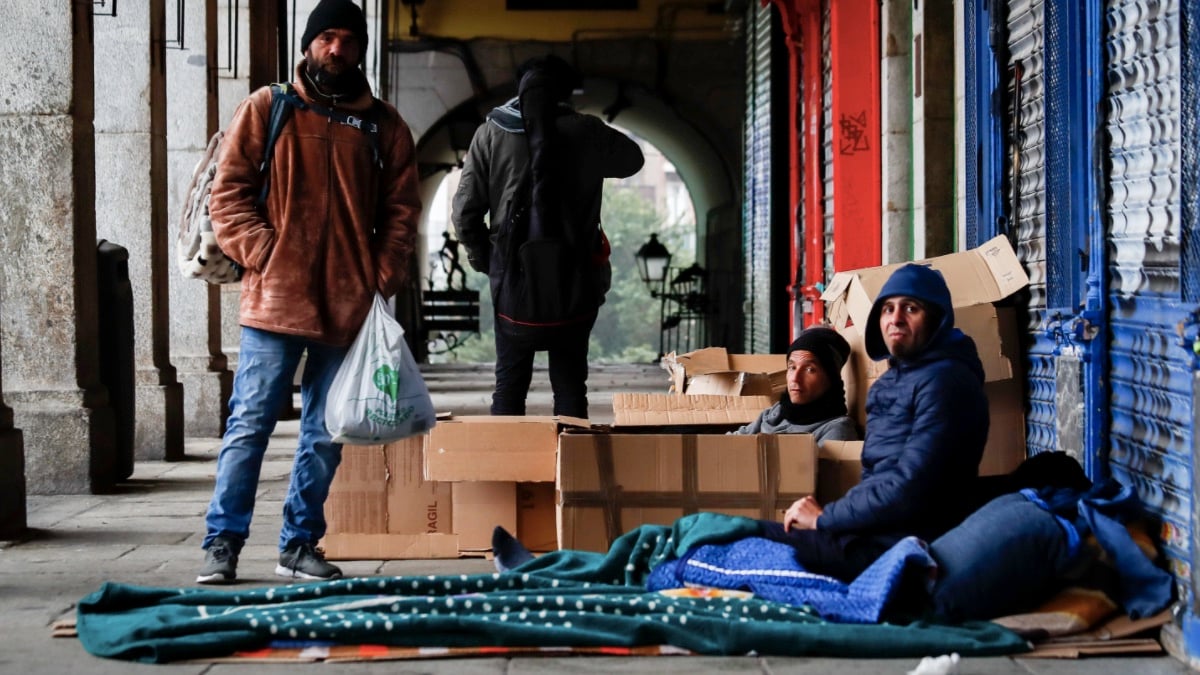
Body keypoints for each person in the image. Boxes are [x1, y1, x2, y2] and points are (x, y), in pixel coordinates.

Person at [197, 0, 421, 584]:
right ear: (308, 44)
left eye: (349, 39)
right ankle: (222, 544)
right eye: (327, 38)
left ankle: (299, 545)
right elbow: (229, 193)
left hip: (348, 308)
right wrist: (265, 254)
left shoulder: (385, 126)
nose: (337, 49)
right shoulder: (268, 108)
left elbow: (402, 213)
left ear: (361, 49)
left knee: (325, 436)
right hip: (274, 301)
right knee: (249, 424)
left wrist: (380, 275)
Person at [762, 263, 990, 581]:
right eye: (886, 309)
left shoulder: (947, 382)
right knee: (726, 535)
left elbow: (911, 486)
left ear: (937, 319)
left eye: (911, 308)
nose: (895, 319)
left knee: (747, 542)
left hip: (910, 543)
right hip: (876, 530)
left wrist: (826, 519)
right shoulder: (892, 382)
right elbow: (876, 479)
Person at [451, 55, 644, 419]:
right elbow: (632, 160)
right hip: (576, 279)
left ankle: (507, 471)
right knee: (571, 386)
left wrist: (489, 262)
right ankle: (571, 469)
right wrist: (583, 130)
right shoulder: (587, 130)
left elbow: (465, 212)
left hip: (512, 280)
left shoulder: (490, 133)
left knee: (508, 384)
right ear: (565, 93)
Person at [732, 326, 859, 444]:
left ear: (831, 378)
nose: (795, 379)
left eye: (810, 369)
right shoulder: (777, 412)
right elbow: (730, 443)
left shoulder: (837, 430)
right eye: (792, 367)